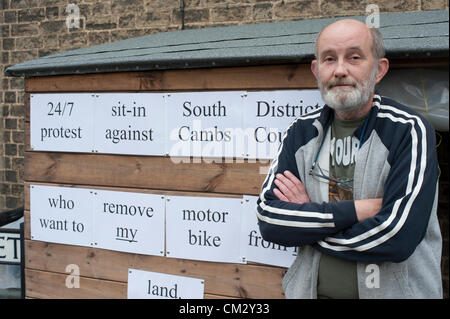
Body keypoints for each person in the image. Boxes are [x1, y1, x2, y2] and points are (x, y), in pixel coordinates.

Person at [256, 19, 443, 299]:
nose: (340, 70)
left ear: (379, 69)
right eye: (329, 59)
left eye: (354, 58)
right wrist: (358, 211)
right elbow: (270, 220)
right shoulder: (301, 132)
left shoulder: (408, 130)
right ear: (317, 70)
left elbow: (397, 237)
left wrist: (308, 220)